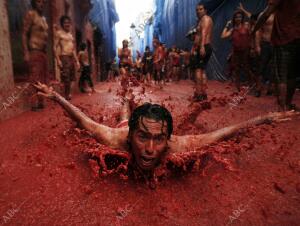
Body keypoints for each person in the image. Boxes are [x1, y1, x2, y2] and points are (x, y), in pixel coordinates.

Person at [34, 82, 298, 181]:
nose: (150, 150)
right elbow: (83, 122)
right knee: (123, 117)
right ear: (130, 138)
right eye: (142, 138)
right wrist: (55, 95)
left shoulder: (179, 145)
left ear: (167, 139)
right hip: (124, 126)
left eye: (158, 139)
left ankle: (129, 106)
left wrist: (264, 118)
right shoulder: (115, 138)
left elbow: (224, 133)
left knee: (130, 119)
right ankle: (126, 103)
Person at [253, 0, 300, 111]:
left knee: (281, 76)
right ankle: (287, 104)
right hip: (297, 39)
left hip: (283, 40)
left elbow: (266, 14)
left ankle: (281, 107)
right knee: (292, 76)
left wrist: (253, 30)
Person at [221, 11, 258, 93]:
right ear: (234, 18)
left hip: (245, 51)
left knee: (247, 69)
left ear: (242, 18)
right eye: (236, 17)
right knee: (236, 70)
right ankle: (238, 89)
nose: (238, 18)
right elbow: (223, 36)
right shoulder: (233, 29)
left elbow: (252, 36)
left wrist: (252, 48)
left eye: (240, 17)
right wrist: (227, 25)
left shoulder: (246, 26)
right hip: (236, 52)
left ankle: (253, 86)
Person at [22, 0, 49, 111]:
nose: (41, 4)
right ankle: (33, 104)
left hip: (43, 52)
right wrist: (26, 52)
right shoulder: (31, 14)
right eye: (39, 1)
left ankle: (41, 101)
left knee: (43, 79)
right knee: (34, 78)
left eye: (43, 2)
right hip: (34, 50)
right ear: (34, 3)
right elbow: (24, 34)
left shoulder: (43, 19)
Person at [191, 3, 213, 101]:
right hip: (202, 46)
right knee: (202, 70)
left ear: (205, 10)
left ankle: (199, 94)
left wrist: (202, 46)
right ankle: (203, 93)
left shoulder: (205, 19)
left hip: (204, 46)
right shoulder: (200, 21)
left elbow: (204, 32)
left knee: (198, 70)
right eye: (197, 10)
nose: (198, 11)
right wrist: (194, 45)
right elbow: (198, 36)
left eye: (200, 9)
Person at [54, 15, 80, 100]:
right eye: (65, 22)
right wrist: (58, 60)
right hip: (64, 57)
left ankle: (68, 93)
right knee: (66, 77)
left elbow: (73, 50)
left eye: (68, 22)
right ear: (62, 24)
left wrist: (77, 61)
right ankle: (66, 95)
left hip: (71, 58)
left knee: (72, 77)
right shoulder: (59, 33)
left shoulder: (70, 35)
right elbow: (54, 47)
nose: (67, 24)